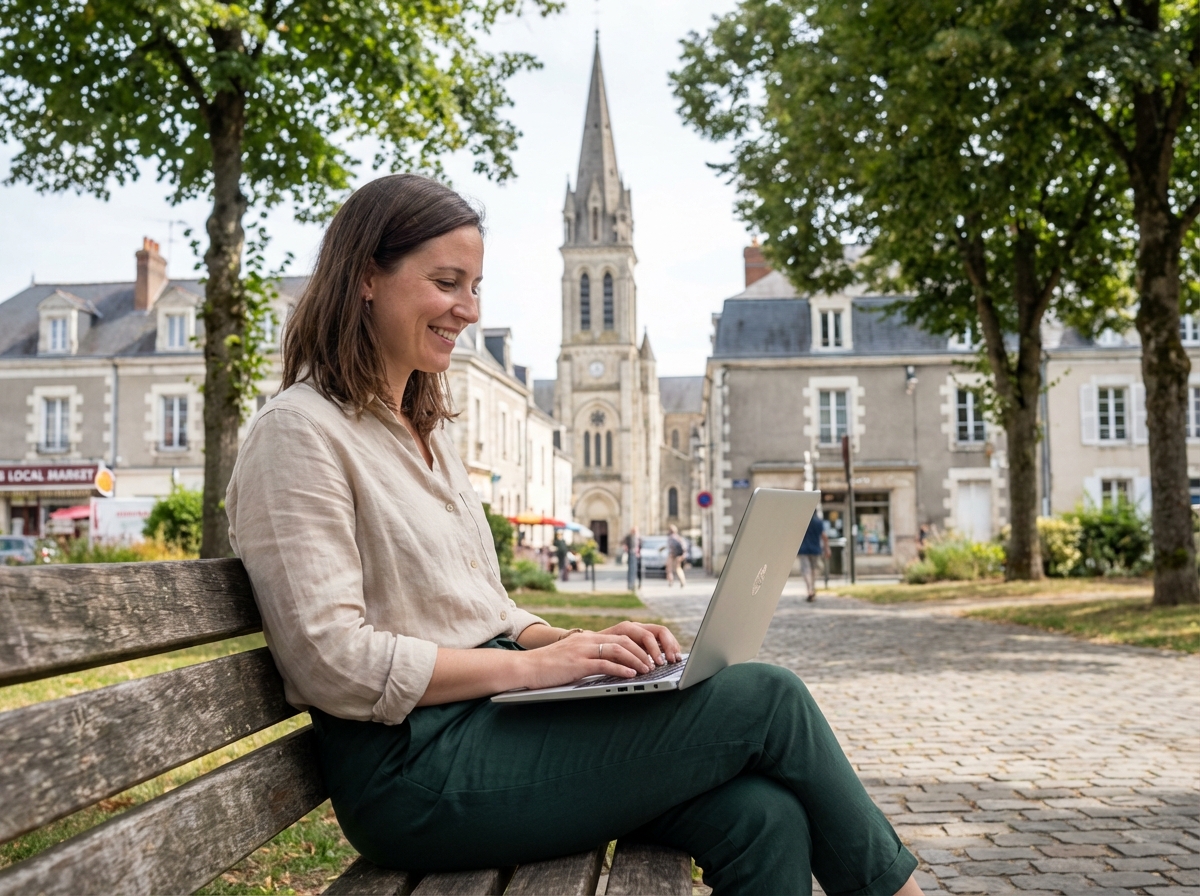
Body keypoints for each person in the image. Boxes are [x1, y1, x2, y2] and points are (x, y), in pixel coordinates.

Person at [225, 175, 923, 896]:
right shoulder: (299, 433)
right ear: (368, 276)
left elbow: (481, 609)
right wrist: (532, 671)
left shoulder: (422, 433)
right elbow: (329, 661)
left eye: (476, 286)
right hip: (414, 773)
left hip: (483, 729)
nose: (467, 309)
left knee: (764, 815)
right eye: (446, 282)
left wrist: (568, 645)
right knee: (769, 699)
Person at [798, 511, 830, 602]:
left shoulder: (802, 521)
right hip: (815, 549)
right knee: (813, 570)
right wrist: (827, 549)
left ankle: (809, 590)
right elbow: (824, 536)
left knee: (805, 570)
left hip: (803, 549)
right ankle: (812, 587)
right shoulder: (818, 521)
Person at [666, 524, 687, 588]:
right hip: (679, 555)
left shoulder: (670, 538)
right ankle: (682, 581)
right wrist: (684, 554)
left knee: (669, 569)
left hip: (672, 555)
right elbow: (684, 547)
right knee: (678, 568)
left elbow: (670, 547)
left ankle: (670, 581)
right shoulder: (679, 538)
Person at [622, 526, 641, 593]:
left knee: (634, 570)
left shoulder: (638, 537)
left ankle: (633, 584)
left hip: (636, 555)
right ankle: (630, 585)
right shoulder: (629, 537)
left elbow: (640, 545)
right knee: (631, 570)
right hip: (631, 554)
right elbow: (623, 543)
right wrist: (626, 548)